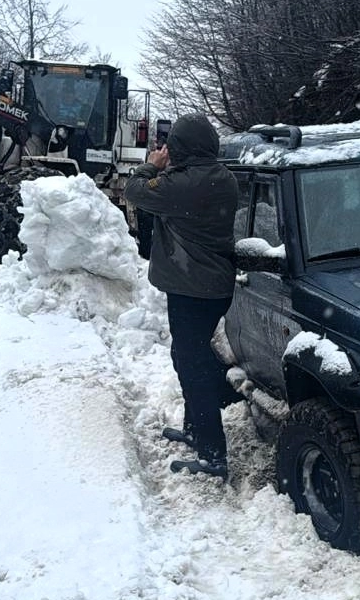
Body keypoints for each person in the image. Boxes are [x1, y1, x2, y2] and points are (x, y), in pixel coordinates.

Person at [123, 113, 240, 479]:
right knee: (192, 355)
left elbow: (134, 191)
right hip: (211, 287)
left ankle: (212, 455)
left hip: (192, 290)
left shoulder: (181, 184)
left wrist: (150, 166)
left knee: (193, 367)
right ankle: (195, 430)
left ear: (180, 148)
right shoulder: (224, 177)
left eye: (172, 144)